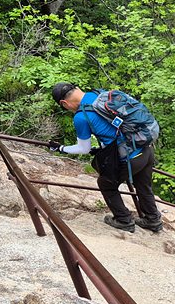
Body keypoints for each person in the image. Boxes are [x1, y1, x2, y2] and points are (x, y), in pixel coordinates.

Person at [49, 82, 163, 233]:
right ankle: (153, 220)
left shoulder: (81, 117)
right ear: (77, 89)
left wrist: (61, 148)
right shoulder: (98, 95)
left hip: (130, 159)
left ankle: (124, 220)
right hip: (145, 149)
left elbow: (83, 148)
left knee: (106, 184)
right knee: (143, 185)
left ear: (64, 103)